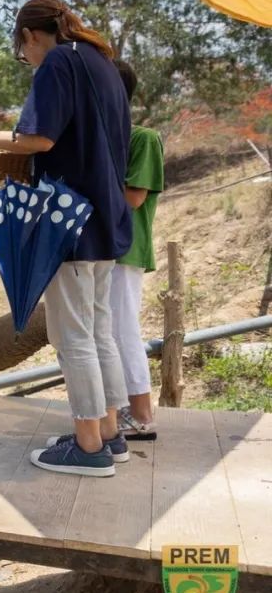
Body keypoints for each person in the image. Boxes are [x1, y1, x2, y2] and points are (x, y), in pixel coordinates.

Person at [0, 0, 132, 477]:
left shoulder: (59, 60)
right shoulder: (101, 61)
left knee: (72, 336)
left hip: (70, 222)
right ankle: (109, 434)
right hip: (106, 218)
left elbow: (40, 139)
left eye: (23, 51)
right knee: (99, 331)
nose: (28, 58)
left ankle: (88, 447)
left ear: (31, 36)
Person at [110, 59, 164, 440]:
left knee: (123, 328)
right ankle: (120, 411)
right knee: (108, 332)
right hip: (102, 250)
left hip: (124, 248)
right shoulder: (106, 141)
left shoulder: (143, 138)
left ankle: (142, 415)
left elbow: (133, 197)